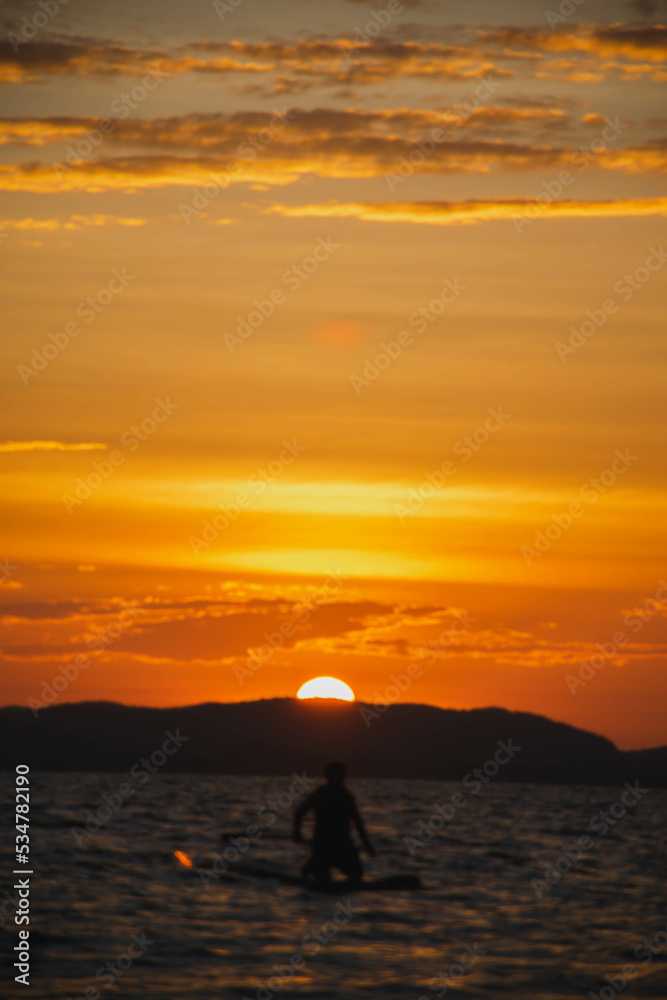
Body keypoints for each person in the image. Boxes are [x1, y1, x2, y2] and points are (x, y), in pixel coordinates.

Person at [293, 760, 375, 883]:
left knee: (357, 874)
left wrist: (367, 845)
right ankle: (312, 866)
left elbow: (358, 822)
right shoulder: (320, 794)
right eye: (338, 776)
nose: (342, 779)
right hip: (323, 845)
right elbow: (300, 812)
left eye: (343, 776)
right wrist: (297, 833)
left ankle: (313, 866)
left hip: (343, 845)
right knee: (322, 878)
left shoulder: (346, 796)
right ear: (329, 776)